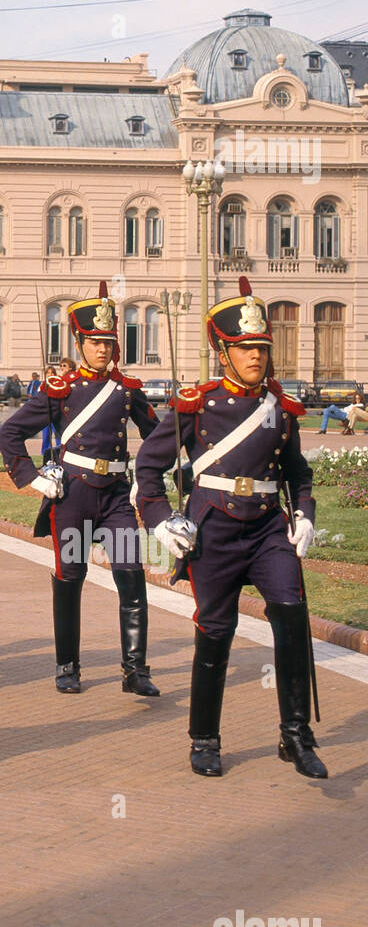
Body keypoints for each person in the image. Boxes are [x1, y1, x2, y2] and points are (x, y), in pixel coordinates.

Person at [135, 277, 324, 780]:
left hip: (266, 530)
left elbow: (297, 473)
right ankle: (204, 737)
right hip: (213, 526)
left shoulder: (281, 410)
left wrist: (304, 514)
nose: (256, 357)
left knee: (291, 616)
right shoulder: (197, 404)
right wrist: (159, 520)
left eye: (261, 348)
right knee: (216, 632)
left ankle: (295, 735)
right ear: (224, 353)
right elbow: (148, 468)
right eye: (245, 349)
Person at [0, 282, 161, 696]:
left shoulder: (127, 391)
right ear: (79, 342)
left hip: (115, 498)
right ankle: (67, 666)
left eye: (108, 341)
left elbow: (158, 436)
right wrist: (32, 477)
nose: (102, 349)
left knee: (131, 576)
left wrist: (170, 460)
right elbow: (11, 432)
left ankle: (135, 669)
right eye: (93, 342)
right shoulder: (63, 390)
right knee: (71, 579)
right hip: (74, 495)